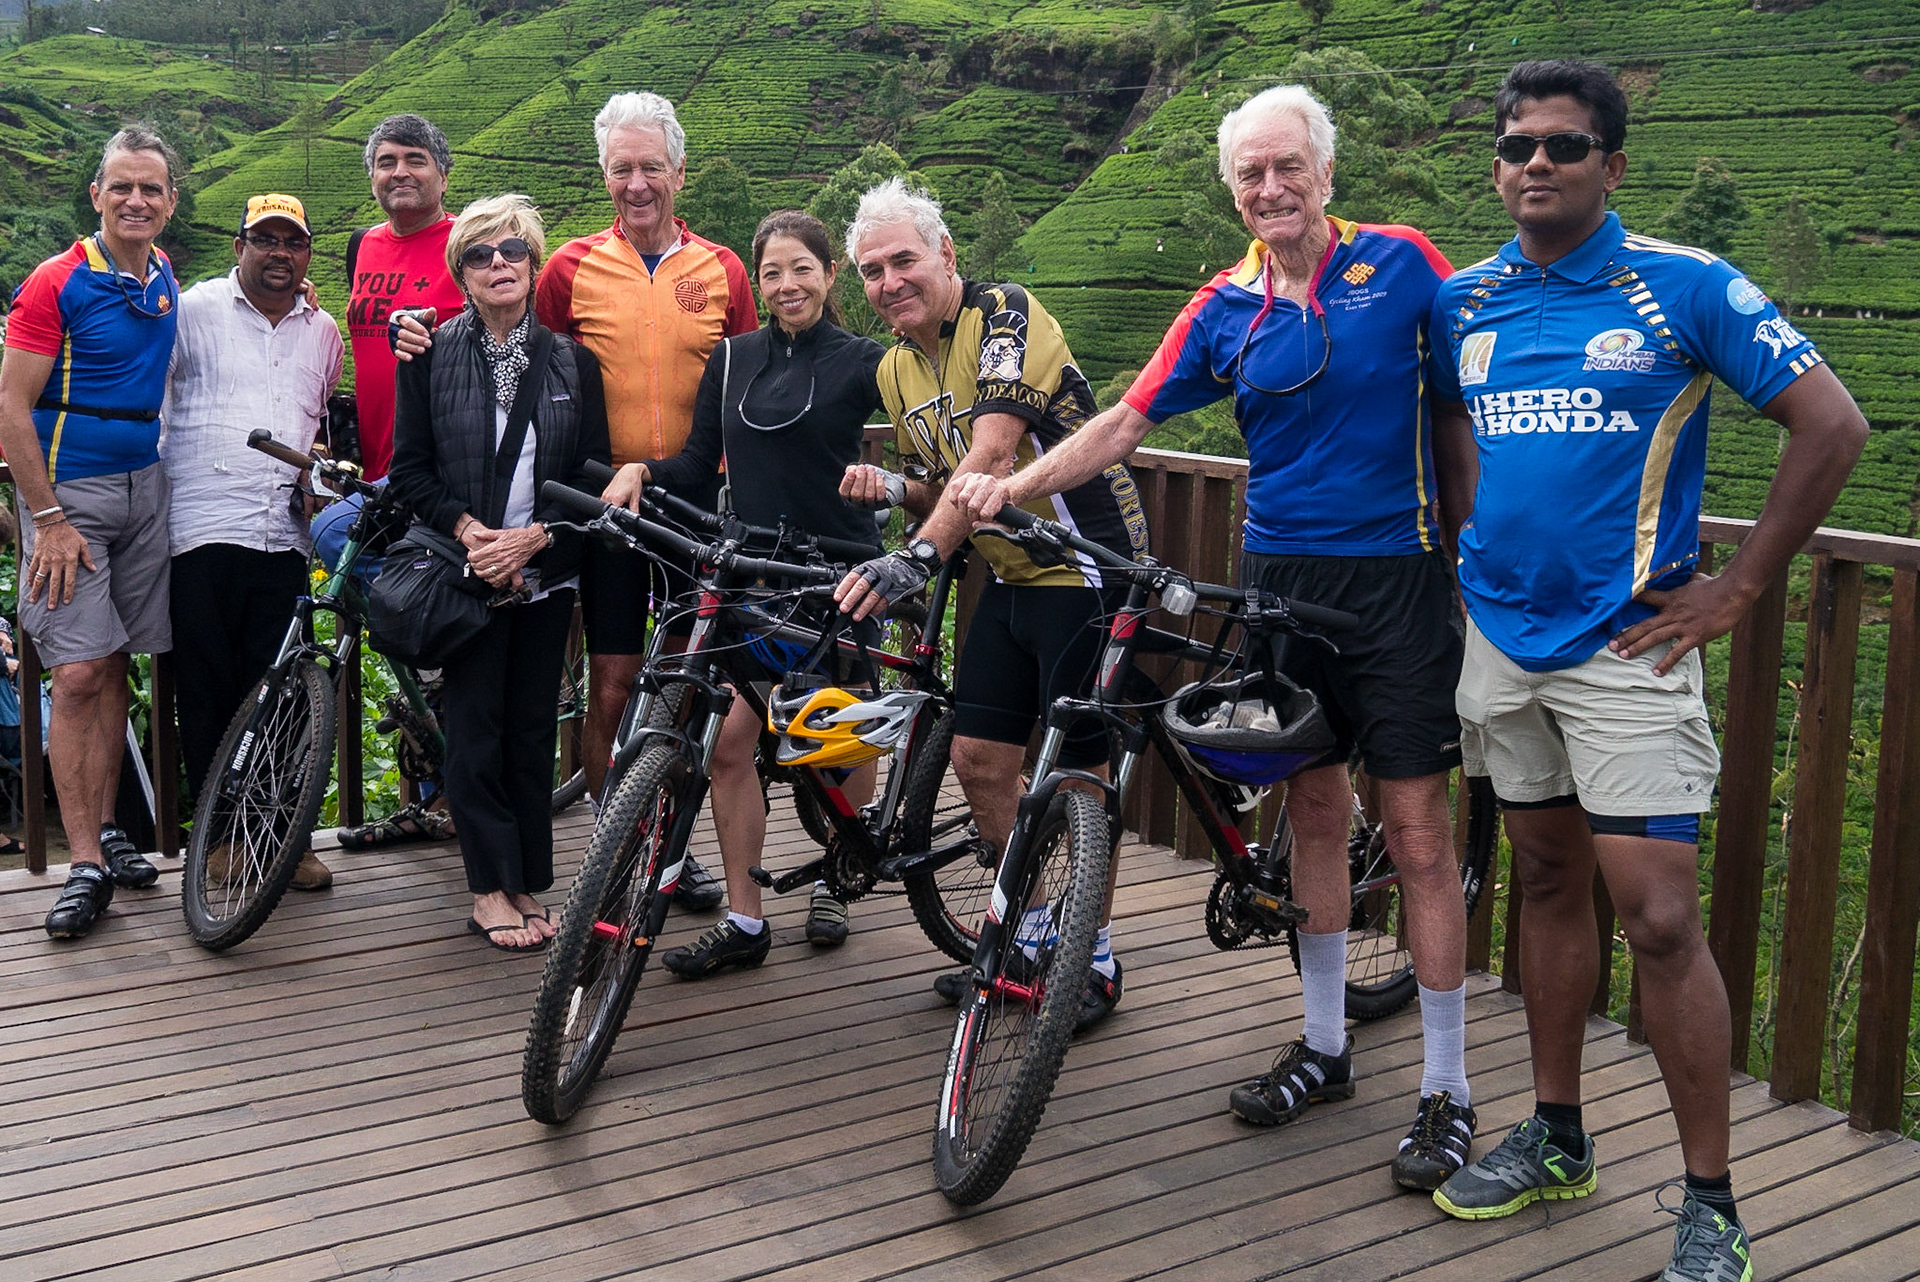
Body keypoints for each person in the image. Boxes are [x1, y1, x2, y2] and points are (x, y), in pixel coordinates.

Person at [946, 86, 1481, 1189]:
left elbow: (1467, 401)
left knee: (1421, 834)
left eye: (1288, 167)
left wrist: (1477, 548)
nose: (1271, 189)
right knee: (1318, 811)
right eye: (1251, 175)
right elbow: (1128, 420)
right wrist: (1014, 483)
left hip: (1397, 582)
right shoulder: (1224, 303)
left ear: (1326, 172)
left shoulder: (1407, 263)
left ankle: (1446, 1090)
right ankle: (1327, 1046)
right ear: (1231, 189)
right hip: (1278, 581)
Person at [1423, 61, 1866, 1281]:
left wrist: (1740, 587)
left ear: (1612, 164)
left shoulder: (1683, 285)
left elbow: (1833, 425)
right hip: (1502, 645)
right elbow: (1449, 420)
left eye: (1564, 147)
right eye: (1516, 148)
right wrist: (1471, 549)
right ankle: (1558, 1135)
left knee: (1662, 921)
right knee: (1547, 881)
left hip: (1631, 646)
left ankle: (1712, 1204)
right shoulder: (1466, 300)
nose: (1536, 167)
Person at [394, 91, 754, 911]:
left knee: (704, 689)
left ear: (678, 173)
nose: (636, 183)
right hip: (597, 511)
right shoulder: (569, 267)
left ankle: (680, 849)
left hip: (694, 509)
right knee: (614, 683)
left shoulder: (723, 268)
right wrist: (419, 331)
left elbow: (750, 375)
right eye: (621, 168)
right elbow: (508, 341)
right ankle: (617, 848)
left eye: (650, 168)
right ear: (604, 175)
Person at [835, 178, 1150, 1032]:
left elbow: (993, 450)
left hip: (1088, 564)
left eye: (904, 259)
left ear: (945, 254)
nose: (890, 280)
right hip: (1009, 575)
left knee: (1078, 774)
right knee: (979, 759)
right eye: (871, 270)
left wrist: (917, 556)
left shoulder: (1005, 312)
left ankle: (1094, 958)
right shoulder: (897, 366)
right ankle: (1039, 932)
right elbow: (945, 485)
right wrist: (895, 488)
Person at [600, 210, 888, 972]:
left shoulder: (866, 361)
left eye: (802, 268)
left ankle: (837, 873)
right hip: (754, 578)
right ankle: (746, 919)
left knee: (845, 738)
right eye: (772, 272)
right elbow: (699, 460)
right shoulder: (730, 359)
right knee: (729, 744)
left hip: (842, 575)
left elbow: (925, 433)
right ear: (755, 284)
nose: (788, 284)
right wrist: (640, 470)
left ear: (829, 277)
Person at [388, 193, 611, 951]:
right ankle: (486, 889)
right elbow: (410, 470)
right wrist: (473, 532)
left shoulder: (575, 364)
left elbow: (593, 473)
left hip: (543, 574)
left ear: (532, 260)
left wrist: (536, 540)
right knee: (476, 730)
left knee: (527, 732)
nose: (497, 265)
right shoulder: (428, 354)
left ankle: (523, 881)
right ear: (462, 272)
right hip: (465, 570)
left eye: (511, 251)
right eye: (480, 255)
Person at [0, 126, 183, 939]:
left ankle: (105, 833)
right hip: (69, 498)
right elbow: (9, 405)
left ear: (170, 201)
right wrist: (47, 518)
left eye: (151, 189)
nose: (136, 200)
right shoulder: (58, 280)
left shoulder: (164, 276)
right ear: (97, 195)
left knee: (113, 663)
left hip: (147, 488)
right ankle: (81, 865)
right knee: (75, 674)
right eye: (122, 187)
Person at [161, 193, 344, 891]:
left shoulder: (323, 332)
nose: (278, 254)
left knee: (287, 694)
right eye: (264, 239)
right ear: (240, 244)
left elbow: (313, 421)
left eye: (291, 243)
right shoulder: (194, 310)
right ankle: (218, 837)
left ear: (306, 255)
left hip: (283, 537)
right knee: (208, 689)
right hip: (202, 530)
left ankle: (283, 836)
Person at [324, 113, 468, 849]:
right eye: (386, 161)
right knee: (335, 541)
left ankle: (448, 788)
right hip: (379, 467)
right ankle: (432, 758)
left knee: (421, 617)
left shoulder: (467, 245)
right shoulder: (363, 246)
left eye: (415, 158)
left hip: (440, 472)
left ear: (443, 173)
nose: (400, 172)